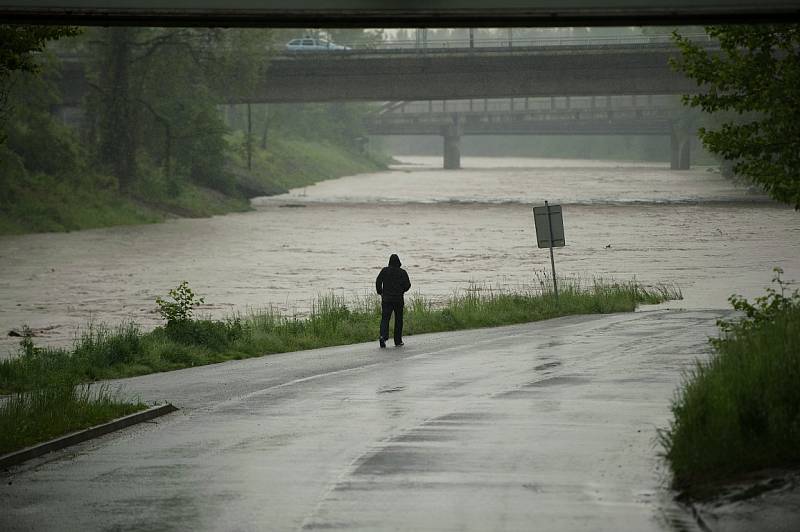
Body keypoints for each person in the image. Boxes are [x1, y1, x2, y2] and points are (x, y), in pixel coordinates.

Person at [375, 253, 411, 348]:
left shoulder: (384, 271)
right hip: (398, 299)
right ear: (398, 262)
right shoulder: (402, 272)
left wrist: (380, 292)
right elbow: (408, 285)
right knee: (399, 319)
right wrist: (402, 290)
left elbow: (378, 281)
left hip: (386, 299)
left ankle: (383, 336)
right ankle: (398, 341)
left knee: (385, 318)